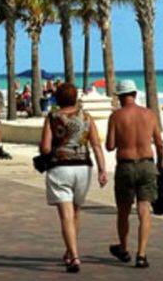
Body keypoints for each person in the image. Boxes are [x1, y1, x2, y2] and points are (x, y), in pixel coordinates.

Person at [39, 82, 108, 273]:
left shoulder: (52, 117)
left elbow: (45, 147)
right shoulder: (86, 117)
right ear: (75, 99)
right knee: (76, 213)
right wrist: (102, 170)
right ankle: (70, 252)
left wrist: (47, 149)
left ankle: (74, 256)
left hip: (60, 168)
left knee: (66, 215)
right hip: (83, 168)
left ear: (57, 99)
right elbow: (96, 145)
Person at [106, 79, 163, 270]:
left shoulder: (116, 116)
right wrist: (161, 163)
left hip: (126, 165)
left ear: (120, 97)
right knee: (144, 210)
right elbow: (159, 143)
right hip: (147, 164)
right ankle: (141, 254)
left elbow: (110, 146)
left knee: (123, 210)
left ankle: (123, 248)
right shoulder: (149, 114)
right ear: (135, 94)